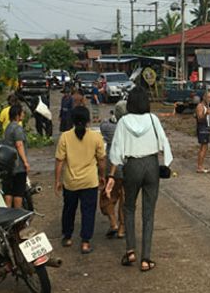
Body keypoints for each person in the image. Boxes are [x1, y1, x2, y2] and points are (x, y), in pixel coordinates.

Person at [106, 86, 173, 272]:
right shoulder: (153, 119)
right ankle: (146, 259)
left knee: (128, 208)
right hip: (151, 165)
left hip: (132, 166)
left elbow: (116, 151)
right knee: (148, 213)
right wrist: (166, 163)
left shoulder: (123, 121)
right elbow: (164, 142)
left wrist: (112, 173)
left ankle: (130, 251)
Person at [55, 106, 106, 254]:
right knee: (88, 211)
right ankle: (85, 242)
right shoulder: (96, 137)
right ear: (88, 121)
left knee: (69, 209)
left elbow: (59, 161)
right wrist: (102, 176)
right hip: (90, 182)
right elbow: (101, 160)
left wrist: (57, 181)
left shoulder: (65, 136)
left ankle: (68, 237)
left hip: (70, 182)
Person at [99, 101, 127, 239]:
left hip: (112, 167)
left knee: (108, 195)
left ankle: (113, 222)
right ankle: (122, 227)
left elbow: (103, 124)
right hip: (128, 167)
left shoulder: (108, 127)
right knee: (125, 198)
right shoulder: (130, 128)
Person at [2, 104, 30, 208]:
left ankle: (8, 213)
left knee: (8, 191)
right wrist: (25, 162)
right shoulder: (17, 128)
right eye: (22, 113)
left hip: (8, 164)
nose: (23, 114)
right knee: (18, 192)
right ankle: (17, 216)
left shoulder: (8, 128)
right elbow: (19, 145)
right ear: (17, 115)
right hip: (18, 165)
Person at [195, 91, 210, 174]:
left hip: (206, 127)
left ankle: (201, 166)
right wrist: (206, 113)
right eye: (209, 97)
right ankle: (199, 167)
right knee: (203, 147)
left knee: (205, 147)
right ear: (204, 97)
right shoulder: (200, 106)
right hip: (202, 128)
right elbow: (200, 118)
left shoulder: (207, 106)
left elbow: (208, 114)